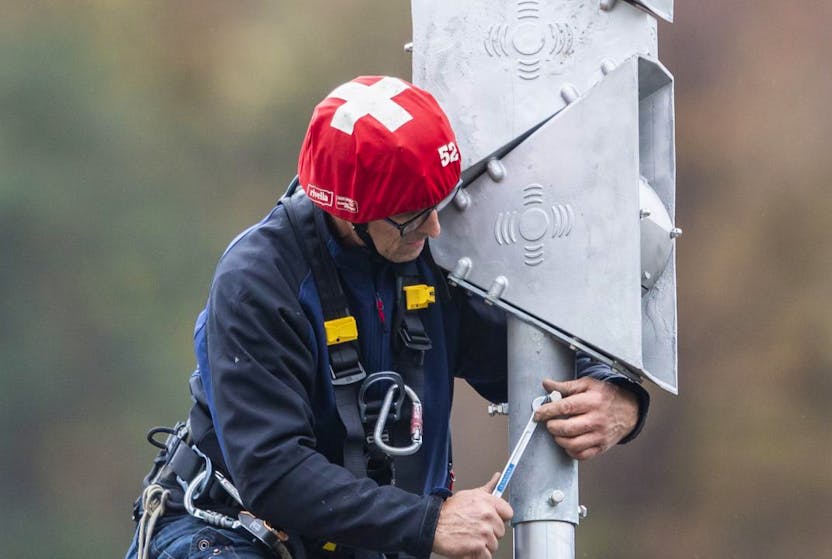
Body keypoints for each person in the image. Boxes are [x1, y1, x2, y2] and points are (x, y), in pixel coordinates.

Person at [125, 75, 649, 559]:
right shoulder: (259, 284)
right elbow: (273, 472)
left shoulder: (429, 257)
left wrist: (616, 395)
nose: (436, 229)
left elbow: (527, 356)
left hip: (370, 542)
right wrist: (429, 523)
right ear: (348, 212)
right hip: (230, 534)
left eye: (437, 203)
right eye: (413, 216)